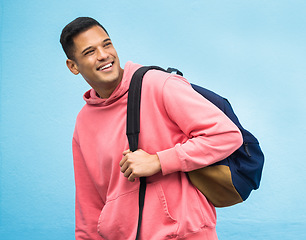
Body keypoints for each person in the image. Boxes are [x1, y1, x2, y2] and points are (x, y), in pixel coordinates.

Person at [60, 17, 243, 240]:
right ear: (73, 66)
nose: (103, 55)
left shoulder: (158, 84)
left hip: (186, 234)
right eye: (89, 51)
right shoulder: (84, 123)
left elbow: (226, 134)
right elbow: (88, 207)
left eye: (106, 44)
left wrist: (158, 161)